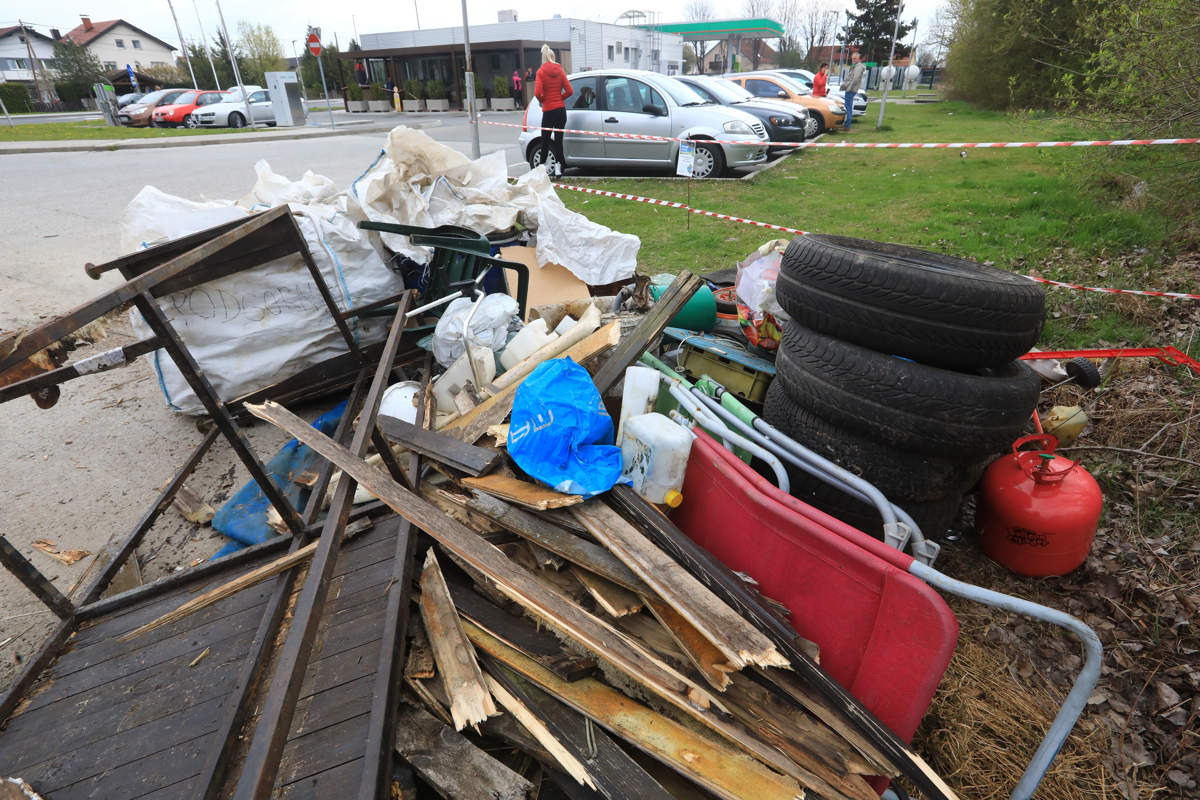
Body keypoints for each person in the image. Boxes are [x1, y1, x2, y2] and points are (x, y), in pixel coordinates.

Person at [534, 44, 573, 177]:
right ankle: (558, 169)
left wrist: (544, 100)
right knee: (558, 141)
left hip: (548, 111)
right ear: (553, 57)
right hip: (561, 111)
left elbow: (537, 93)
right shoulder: (560, 71)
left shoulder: (540, 72)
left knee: (545, 141)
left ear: (543, 58)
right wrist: (559, 98)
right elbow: (570, 91)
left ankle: (541, 170)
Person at [842, 52, 865, 131]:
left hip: (851, 89)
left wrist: (849, 88)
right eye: (852, 58)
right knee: (849, 106)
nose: (853, 60)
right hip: (852, 89)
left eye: (855, 58)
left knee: (847, 107)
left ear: (859, 58)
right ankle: (847, 124)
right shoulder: (857, 66)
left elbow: (855, 79)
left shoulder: (858, 67)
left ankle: (847, 125)